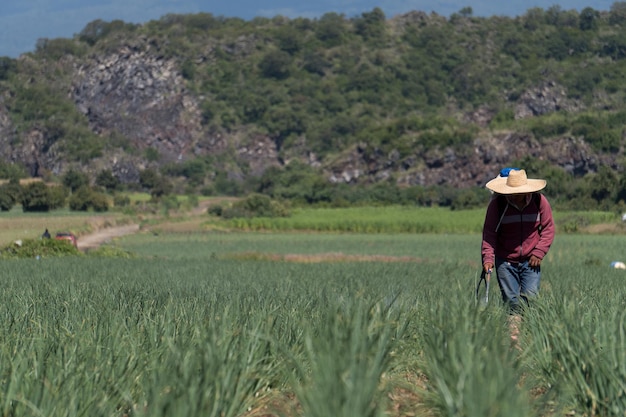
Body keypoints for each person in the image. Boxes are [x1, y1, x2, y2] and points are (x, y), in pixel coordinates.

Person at [481, 169, 555, 341]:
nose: (513, 196)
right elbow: (489, 233)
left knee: (531, 298)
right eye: (511, 193)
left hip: (531, 261)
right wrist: (488, 258)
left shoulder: (539, 201)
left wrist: (539, 251)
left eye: (517, 194)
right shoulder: (498, 205)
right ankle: (515, 338)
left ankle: (529, 335)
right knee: (512, 301)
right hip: (505, 261)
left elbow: (549, 228)